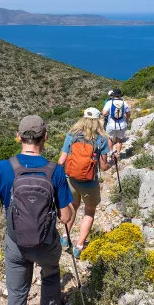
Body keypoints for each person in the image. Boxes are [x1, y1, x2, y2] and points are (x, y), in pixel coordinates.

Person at [0, 115, 73, 305]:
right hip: (47, 243)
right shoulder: (55, 171)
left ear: (18, 137)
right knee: (50, 275)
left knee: (16, 295)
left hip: (15, 243)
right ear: (45, 138)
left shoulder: (2, 167)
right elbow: (66, 217)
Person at [57, 107, 110, 258]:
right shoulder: (101, 139)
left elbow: (61, 160)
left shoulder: (72, 135)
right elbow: (104, 167)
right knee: (89, 211)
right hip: (89, 182)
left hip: (71, 180)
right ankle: (79, 247)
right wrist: (112, 162)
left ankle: (65, 238)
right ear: (98, 120)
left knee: (72, 207)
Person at [102, 89, 131, 159]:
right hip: (122, 125)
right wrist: (126, 121)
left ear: (113, 95)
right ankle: (118, 154)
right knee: (119, 140)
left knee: (110, 138)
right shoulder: (124, 103)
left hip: (111, 124)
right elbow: (128, 114)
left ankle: (111, 153)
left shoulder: (109, 103)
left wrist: (109, 114)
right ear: (120, 95)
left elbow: (104, 113)